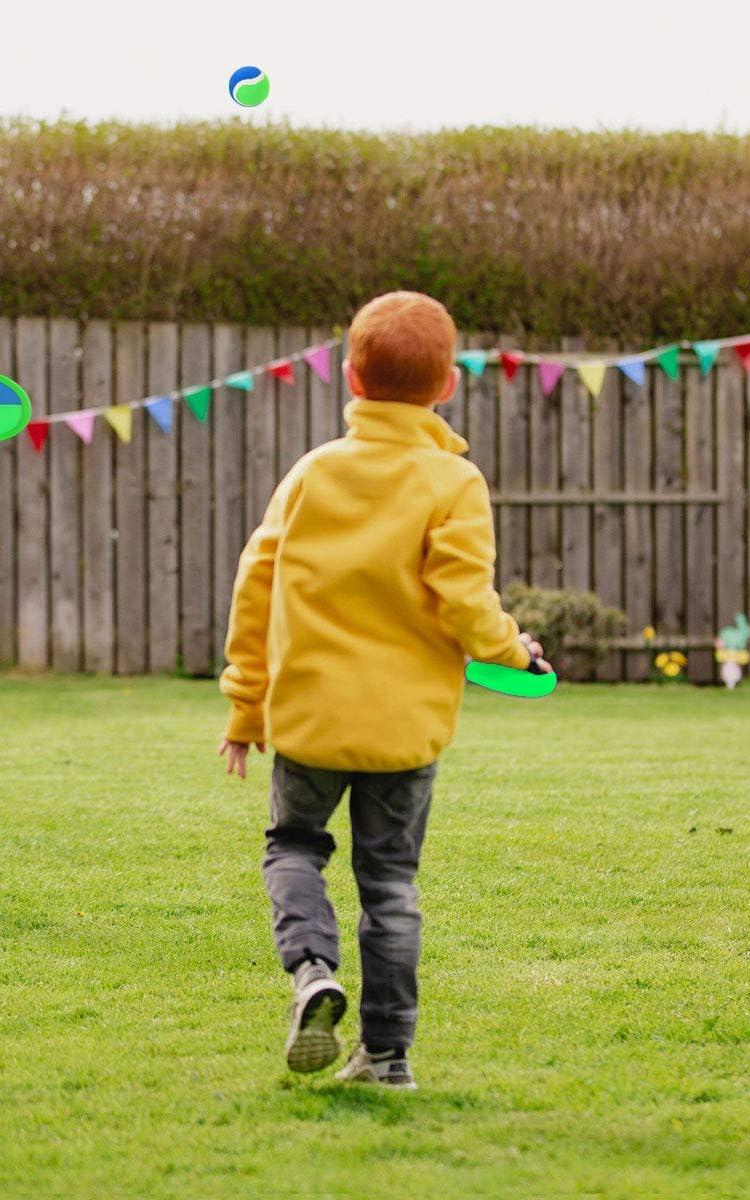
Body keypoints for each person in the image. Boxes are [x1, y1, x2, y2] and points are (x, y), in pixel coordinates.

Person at [217, 293, 549, 1087]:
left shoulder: (313, 473)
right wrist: (517, 653)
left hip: (308, 720)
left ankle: (312, 975)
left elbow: (254, 590)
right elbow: (466, 599)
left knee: (294, 847)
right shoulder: (453, 481)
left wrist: (245, 704)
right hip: (405, 729)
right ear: (445, 388)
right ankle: (388, 1056)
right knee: (391, 885)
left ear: (352, 377)